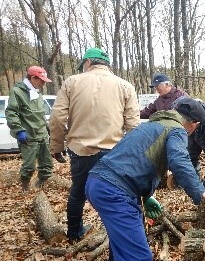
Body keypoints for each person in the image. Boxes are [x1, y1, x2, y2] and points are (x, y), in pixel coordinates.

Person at [85, 106, 205, 261]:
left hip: (100, 182)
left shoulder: (152, 125)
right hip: (114, 190)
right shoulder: (176, 130)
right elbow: (179, 161)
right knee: (139, 258)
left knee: (129, 244)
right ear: (192, 124)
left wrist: (147, 195)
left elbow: (136, 159)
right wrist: (201, 194)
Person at [49, 47, 140, 242]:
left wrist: (56, 147)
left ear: (88, 63)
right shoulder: (125, 86)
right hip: (113, 153)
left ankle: (74, 233)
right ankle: (115, 239)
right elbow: (133, 125)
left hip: (80, 150)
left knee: (78, 192)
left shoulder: (72, 82)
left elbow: (56, 118)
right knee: (116, 195)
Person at [6, 66, 53, 191]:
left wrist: (48, 129)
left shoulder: (37, 92)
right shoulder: (17, 92)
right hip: (28, 136)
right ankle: (25, 186)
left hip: (42, 134)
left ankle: (41, 184)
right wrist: (19, 130)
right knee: (29, 166)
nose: (43, 83)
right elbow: (11, 113)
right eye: (41, 80)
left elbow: (40, 114)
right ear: (33, 78)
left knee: (47, 165)